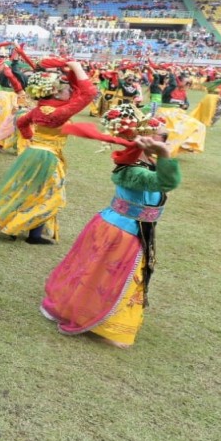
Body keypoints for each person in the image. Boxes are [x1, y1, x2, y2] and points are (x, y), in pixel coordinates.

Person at [41, 106, 178, 348]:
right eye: (162, 135)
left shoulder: (145, 161)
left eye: (165, 136)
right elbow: (167, 182)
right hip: (123, 232)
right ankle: (106, 323)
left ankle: (96, 316)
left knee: (99, 273)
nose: (165, 139)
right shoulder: (133, 169)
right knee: (105, 275)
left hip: (129, 229)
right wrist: (166, 155)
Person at [0, 60, 97, 244]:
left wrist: (29, 138)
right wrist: (76, 66)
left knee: (25, 190)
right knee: (49, 195)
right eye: (67, 89)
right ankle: (21, 229)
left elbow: (21, 123)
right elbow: (89, 93)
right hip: (48, 156)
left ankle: (15, 226)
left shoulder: (41, 109)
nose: (71, 92)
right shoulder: (58, 112)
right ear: (56, 92)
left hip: (33, 153)